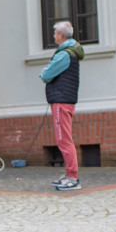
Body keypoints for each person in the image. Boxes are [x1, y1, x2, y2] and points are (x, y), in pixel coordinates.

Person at [40, 20, 85, 191]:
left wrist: (44, 73)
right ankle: (69, 175)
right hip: (65, 100)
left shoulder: (64, 54)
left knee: (64, 140)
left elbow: (46, 74)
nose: (53, 36)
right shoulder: (70, 52)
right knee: (65, 139)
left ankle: (72, 178)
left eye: (54, 34)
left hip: (61, 102)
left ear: (60, 35)